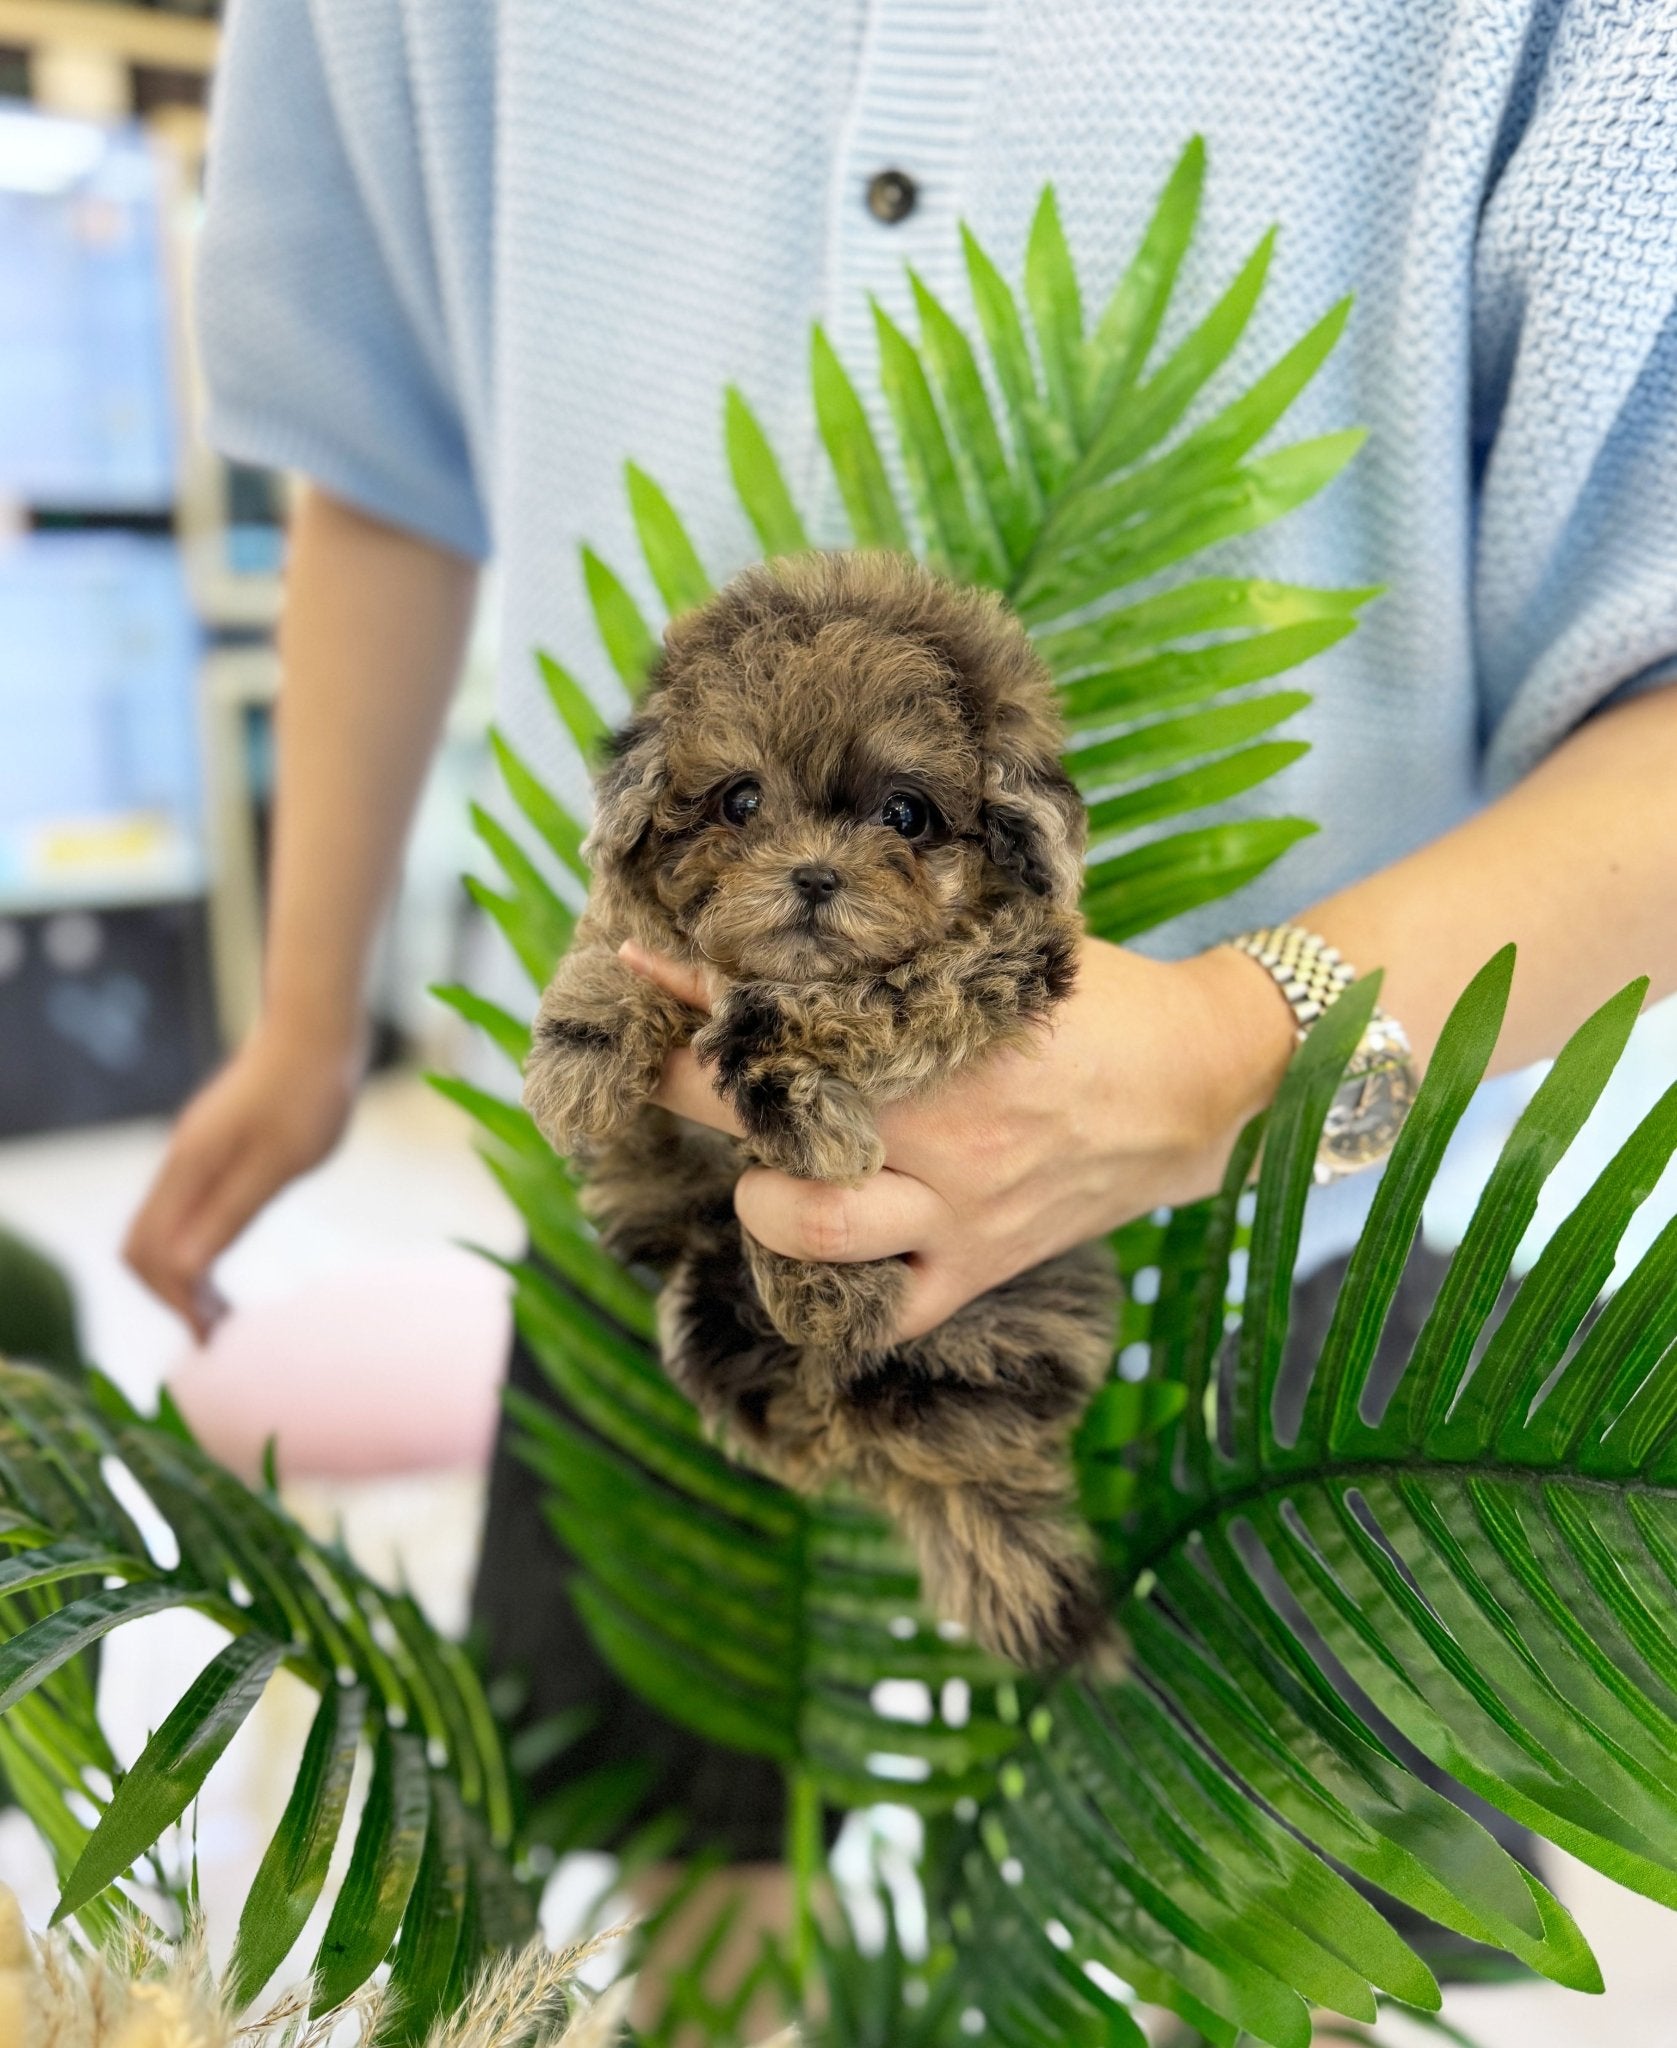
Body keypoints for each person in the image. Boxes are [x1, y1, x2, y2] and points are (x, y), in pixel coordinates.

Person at [126, 0, 1677, 1928]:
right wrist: (298, 1029)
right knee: (671, 1922)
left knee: (1263, 1944)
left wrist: (1223, 1042)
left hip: (1334, 1244)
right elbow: (369, 451)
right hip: (692, 1213)